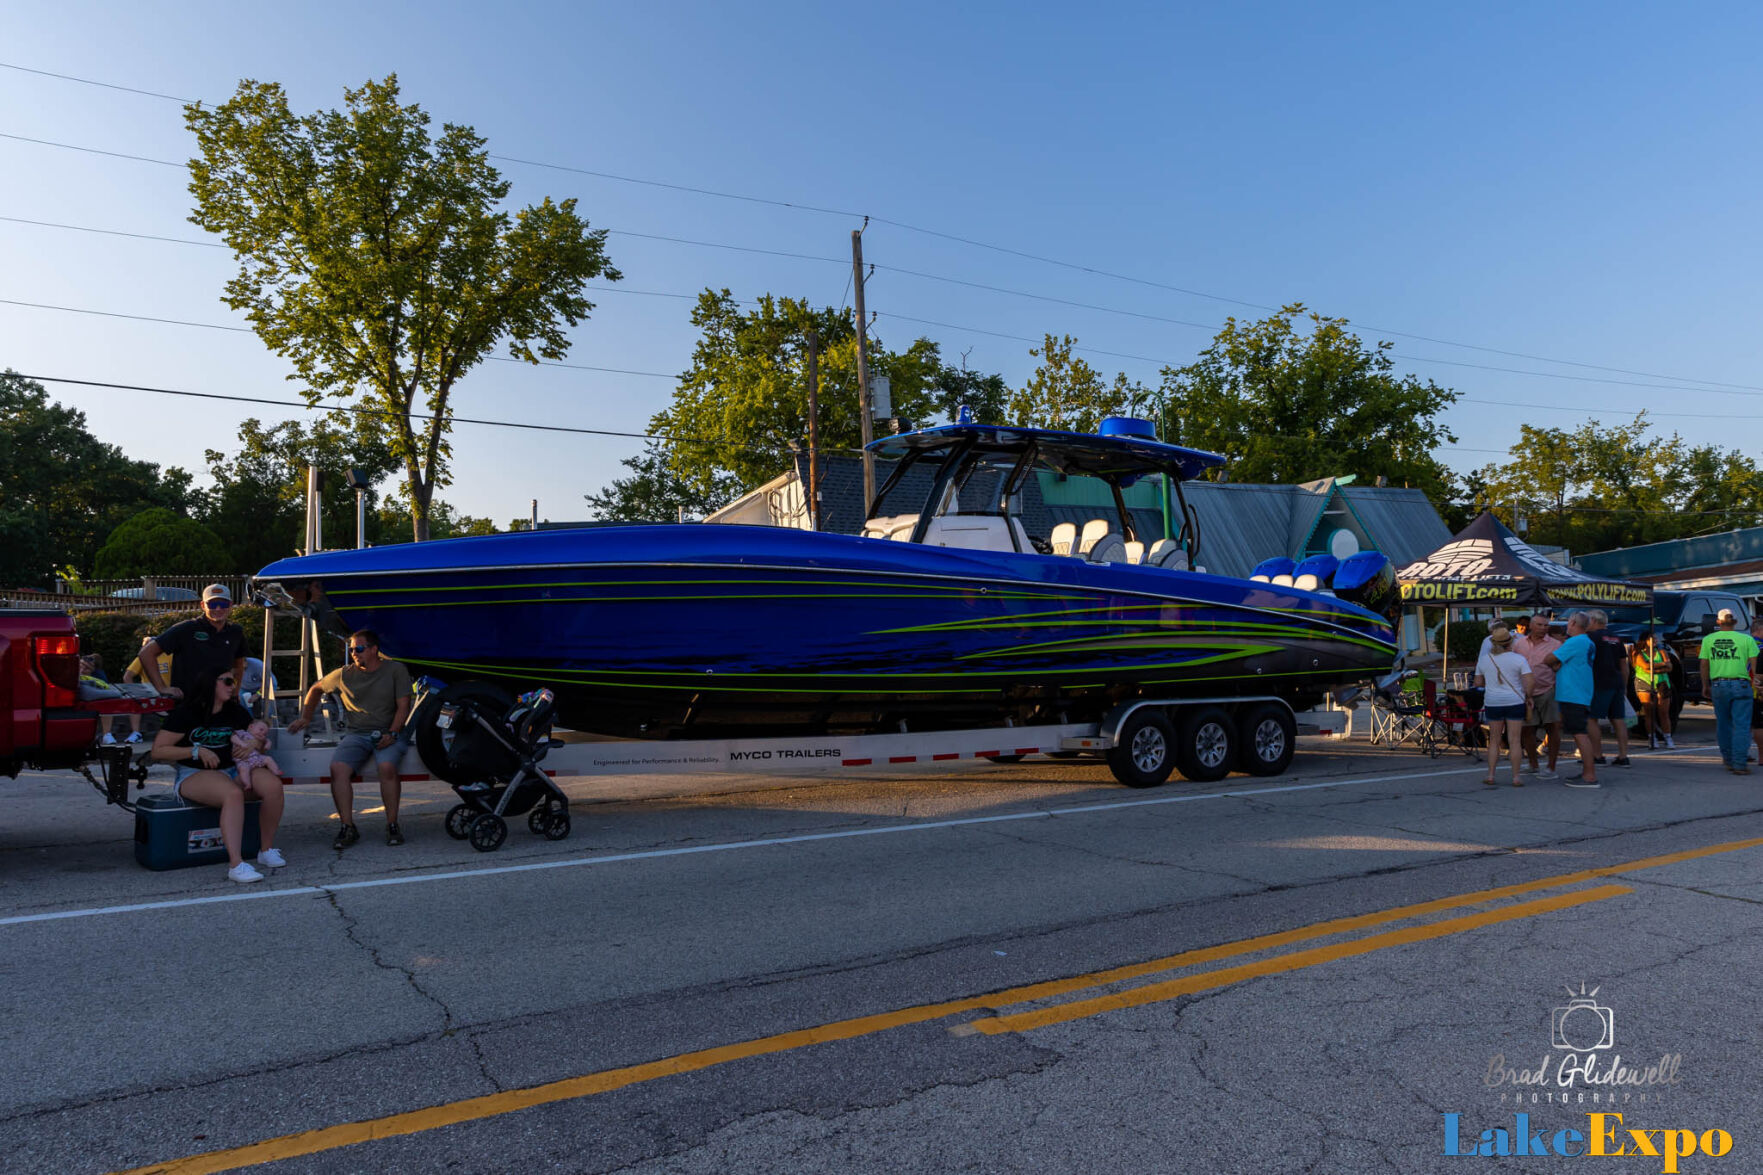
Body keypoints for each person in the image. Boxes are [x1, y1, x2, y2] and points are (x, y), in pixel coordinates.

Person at [149, 667, 287, 883]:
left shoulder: (236, 711)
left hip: (234, 768)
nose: (233, 687)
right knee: (232, 794)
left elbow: (256, 737)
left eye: (233, 682)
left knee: (273, 786)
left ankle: (266, 849)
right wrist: (195, 750)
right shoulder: (187, 713)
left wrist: (254, 743)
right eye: (228, 682)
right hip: (194, 772)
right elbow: (158, 750)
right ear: (210, 683)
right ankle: (236, 864)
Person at [287, 628, 414, 848]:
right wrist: (306, 718)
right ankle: (348, 827)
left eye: (360, 648)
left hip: (390, 732)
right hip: (357, 734)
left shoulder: (395, 670)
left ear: (375, 650)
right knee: (337, 769)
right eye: (352, 649)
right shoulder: (343, 674)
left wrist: (393, 733)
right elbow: (316, 689)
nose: (355, 653)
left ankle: (392, 824)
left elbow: (404, 706)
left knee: (386, 767)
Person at [139, 584, 247, 700]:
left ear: (230, 605)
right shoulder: (186, 629)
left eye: (223, 604)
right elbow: (146, 653)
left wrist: (235, 693)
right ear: (203, 605)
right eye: (212, 604)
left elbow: (238, 665)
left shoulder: (236, 632)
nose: (218, 609)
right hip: (189, 705)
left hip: (221, 705)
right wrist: (161, 688)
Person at [1700, 608, 1760, 774]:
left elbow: (1704, 664)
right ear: (1735, 622)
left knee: (1723, 724)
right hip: (1741, 684)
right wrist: (1758, 683)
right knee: (1742, 725)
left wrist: (1705, 685)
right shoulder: (1746, 639)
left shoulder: (1708, 640)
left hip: (1719, 685)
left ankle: (1728, 760)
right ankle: (1740, 763)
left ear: (1718, 622)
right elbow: (1756, 665)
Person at [1475, 622, 1532, 787]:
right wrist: (1528, 696)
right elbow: (1529, 682)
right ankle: (1516, 777)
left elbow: (1478, 682)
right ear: (1510, 642)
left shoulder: (1484, 660)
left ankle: (1491, 775)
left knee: (1494, 740)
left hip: (1493, 702)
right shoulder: (1519, 659)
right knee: (1515, 741)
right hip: (1515, 701)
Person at [1546, 613, 1599, 788]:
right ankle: (1587, 772)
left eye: (1568, 622)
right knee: (1579, 733)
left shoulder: (1575, 642)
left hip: (1573, 693)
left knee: (1580, 734)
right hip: (1580, 691)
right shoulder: (1587, 641)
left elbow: (1549, 659)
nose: (1566, 626)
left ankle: (1589, 775)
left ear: (1574, 623)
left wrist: (1554, 664)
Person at [1516, 611, 1563, 779]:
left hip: (1548, 691)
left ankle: (1551, 767)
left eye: (1546, 625)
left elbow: (1560, 666)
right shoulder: (1519, 644)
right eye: (1540, 625)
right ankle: (1533, 765)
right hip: (1526, 693)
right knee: (1527, 730)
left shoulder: (1556, 645)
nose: (1543, 628)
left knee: (1553, 728)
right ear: (1531, 626)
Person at [1585, 610, 1631, 767]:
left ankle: (1597, 755)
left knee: (1591, 718)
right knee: (1618, 719)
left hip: (1599, 682)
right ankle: (1623, 756)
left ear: (1593, 620)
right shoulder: (1616, 637)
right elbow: (1624, 665)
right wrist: (1624, 686)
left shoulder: (1591, 637)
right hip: (1617, 682)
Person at [114, 639, 174, 745]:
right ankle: (136, 733)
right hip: (148, 692)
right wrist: (133, 692)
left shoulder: (169, 656)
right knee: (134, 701)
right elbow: (128, 676)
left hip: (167, 692)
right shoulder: (141, 658)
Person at [1631, 631, 1674, 750]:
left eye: (1656, 638)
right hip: (1644, 683)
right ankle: (1652, 738)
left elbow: (1670, 666)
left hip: (1662, 682)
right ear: (1644, 640)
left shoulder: (1661, 652)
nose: (1655, 641)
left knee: (1664, 712)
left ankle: (1668, 737)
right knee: (1649, 712)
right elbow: (1645, 667)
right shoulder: (1638, 653)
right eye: (1652, 639)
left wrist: (1654, 668)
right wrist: (1662, 665)